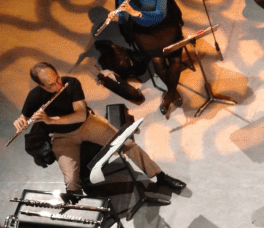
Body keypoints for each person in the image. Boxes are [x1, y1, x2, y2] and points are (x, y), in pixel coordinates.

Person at [12, 62, 185, 196]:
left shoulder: (71, 83)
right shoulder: (35, 96)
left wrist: (50, 120)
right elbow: (23, 116)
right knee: (71, 181)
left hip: (87, 124)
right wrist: (20, 121)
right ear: (41, 86)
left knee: (127, 144)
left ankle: (160, 176)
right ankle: (85, 208)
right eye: (51, 85)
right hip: (62, 136)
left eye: (57, 78)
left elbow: (80, 115)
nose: (58, 85)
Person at [104, 0, 185, 115]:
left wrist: (136, 13)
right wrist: (117, 16)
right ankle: (172, 91)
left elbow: (160, 14)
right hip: (144, 32)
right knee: (158, 62)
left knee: (175, 60)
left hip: (166, 24)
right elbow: (123, 17)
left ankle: (170, 93)